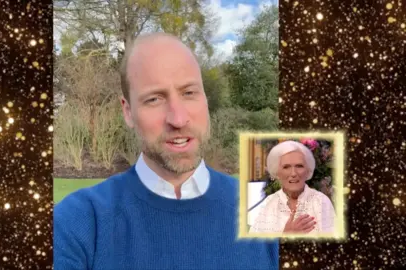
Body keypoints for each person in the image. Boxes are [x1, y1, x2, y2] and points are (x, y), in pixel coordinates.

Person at [53, 33, 279, 269]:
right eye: (154, 99)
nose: (178, 119)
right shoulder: (76, 224)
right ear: (128, 111)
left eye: (189, 93)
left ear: (205, 98)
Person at [250, 140, 336, 235]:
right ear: (277, 173)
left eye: (299, 166)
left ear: (307, 171)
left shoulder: (321, 201)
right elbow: (254, 247)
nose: (293, 173)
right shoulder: (269, 203)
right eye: (286, 167)